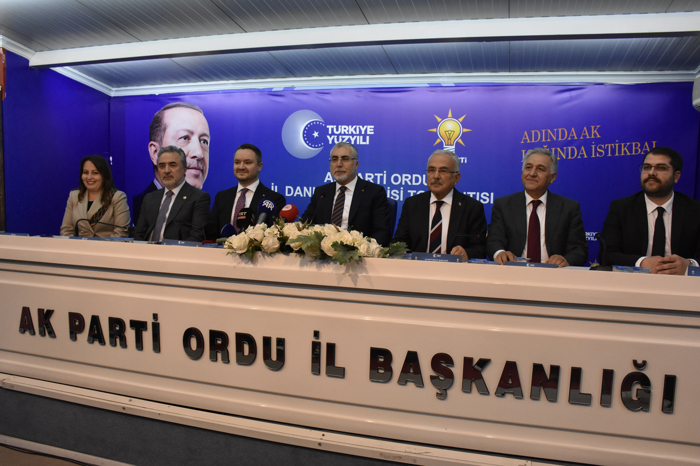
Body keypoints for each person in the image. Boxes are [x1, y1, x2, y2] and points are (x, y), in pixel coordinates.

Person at [600, 147, 700, 274]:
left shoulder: (695, 210)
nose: (652, 173)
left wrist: (689, 265)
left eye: (661, 168)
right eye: (647, 167)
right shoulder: (621, 208)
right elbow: (606, 254)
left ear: (676, 176)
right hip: (634, 282)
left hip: (681, 282)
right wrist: (641, 262)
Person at [487, 148, 587, 267]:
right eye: (528, 167)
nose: (532, 173)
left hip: (553, 273)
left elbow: (579, 249)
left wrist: (565, 259)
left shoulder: (568, 208)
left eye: (540, 169)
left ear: (552, 177)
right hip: (513, 271)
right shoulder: (504, 205)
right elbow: (493, 240)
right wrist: (500, 252)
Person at [392, 150, 486, 261]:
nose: (436, 176)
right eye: (431, 170)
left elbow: (480, 248)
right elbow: (400, 242)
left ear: (456, 178)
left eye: (443, 171)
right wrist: (397, 248)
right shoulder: (412, 204)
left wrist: (467, 253)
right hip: (418, 268)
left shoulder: (472, 208)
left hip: (454, 269)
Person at [132, 102, 210, 225]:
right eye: (184, 138)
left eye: (204, 141)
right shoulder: (141, 204)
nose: (199, 153)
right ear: (155, 152)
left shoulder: (203, 205)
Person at [301, 142, 392, 246]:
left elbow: (382, 232)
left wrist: (363, 249)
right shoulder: (321, 192)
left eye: (345, 159)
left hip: (358, 253)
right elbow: (306, 225)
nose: (339, 164)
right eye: (334, 159)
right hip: (323, 253)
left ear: (356, 164)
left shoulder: (374, 192)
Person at [134, 146, 210, 242]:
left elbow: (196, 237)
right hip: (147, 249)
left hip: (177, 251)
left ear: (184, 169)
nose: (166, 171)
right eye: (161, 166)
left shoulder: (198, 198)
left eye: (172, 165)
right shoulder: (150, 198)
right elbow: (139, 235)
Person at [208, 144, 286, 236]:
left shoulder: (274, 199)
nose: (241, 167)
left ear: (259, 166)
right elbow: (212, 233)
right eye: (237, 162)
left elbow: (273, 236)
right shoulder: (222, 197)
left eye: (247, 162)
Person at [60, 155, 131, 238]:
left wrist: (98, 245)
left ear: (104, 175)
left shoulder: (117, 197)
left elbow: (121, 232)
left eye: (95, 173)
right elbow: (66, 230)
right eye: (85, 172)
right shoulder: (74, 196)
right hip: (78, 245)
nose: (89, 177)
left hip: (106, 245)